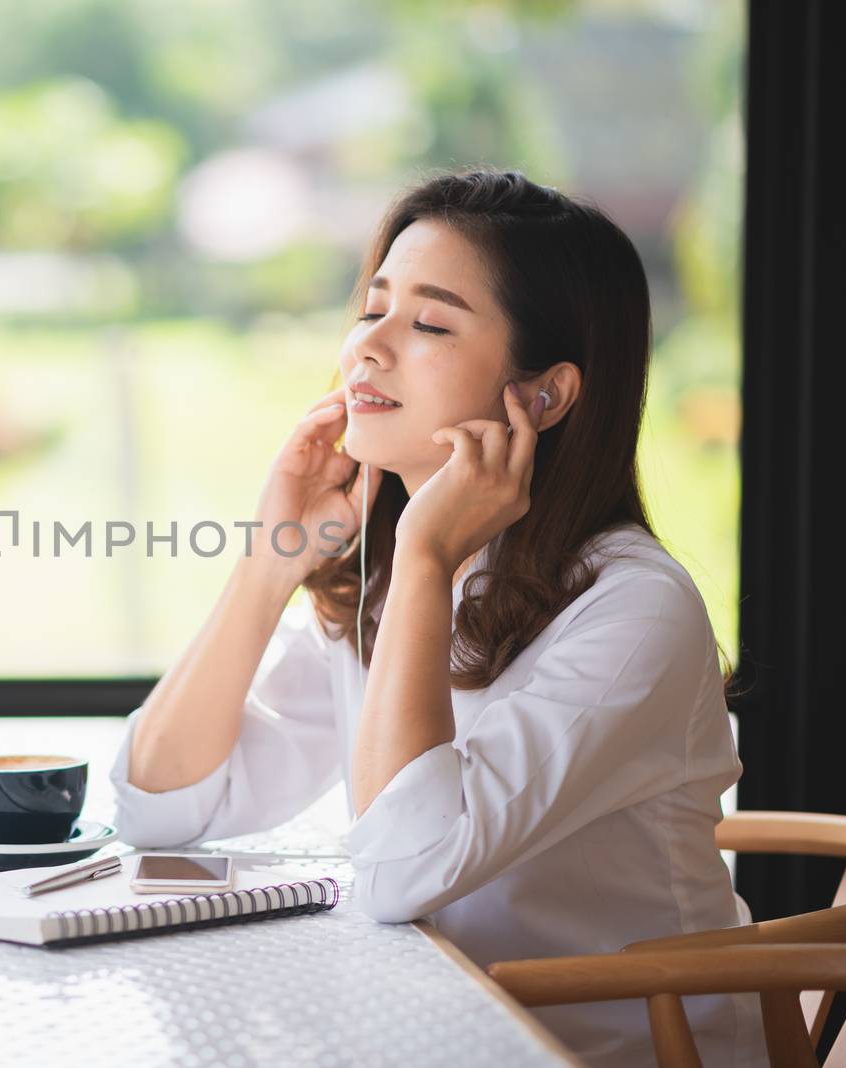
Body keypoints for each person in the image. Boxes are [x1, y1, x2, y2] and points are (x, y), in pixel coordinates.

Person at [108, 169, 765, 1066]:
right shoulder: (389, 573)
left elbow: (401, 871)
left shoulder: (634, 608)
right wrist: (271, 564)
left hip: (601, 1047)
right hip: (436, 1032)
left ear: (542, 396)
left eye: (429, 323)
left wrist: (421, 558)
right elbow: (162, 804)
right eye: (373, 307)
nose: (368, 347)